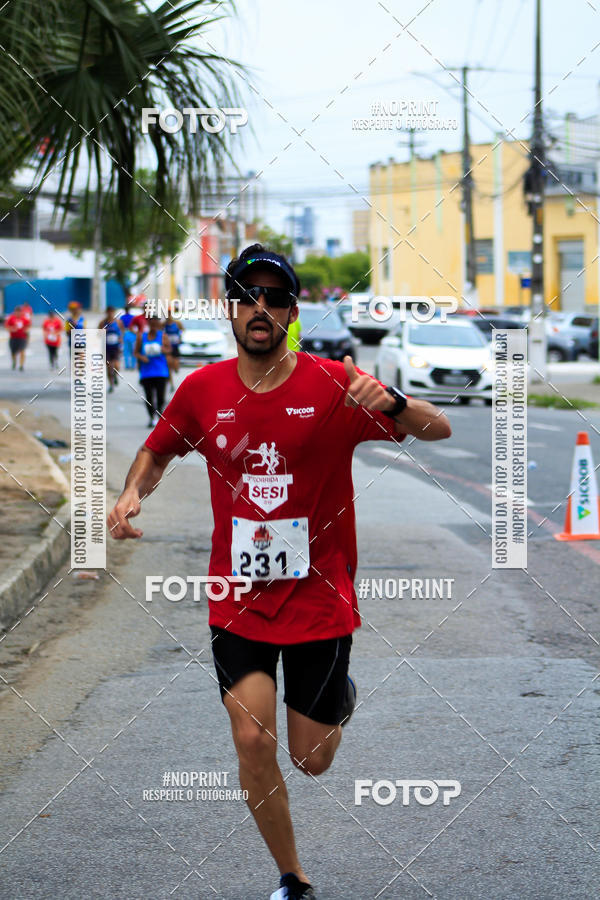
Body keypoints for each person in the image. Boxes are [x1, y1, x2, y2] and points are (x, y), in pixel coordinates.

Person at [107, 245, 451, 900]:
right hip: (237, 599)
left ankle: (337, 698)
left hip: (320, 598)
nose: (260, 308)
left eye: (274, 298)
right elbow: (156, 454)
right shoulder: (201, 391)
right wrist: (131, 495)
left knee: (310, 758)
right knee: (250, 735)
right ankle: (294, 879)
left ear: (292, 312)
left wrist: (395, 400)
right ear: (229, 310)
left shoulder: (332, 384)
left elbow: (439, 429)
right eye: (247, 297)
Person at [134, 312, 171, 426]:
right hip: (147, 373)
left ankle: (159, 415)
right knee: (149, 398)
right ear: (149, 323)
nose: (154, 325)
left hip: (161, 372)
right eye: (152, 323)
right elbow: (136, 352)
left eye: (156, 323)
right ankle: (151, 418)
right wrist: (142, 357)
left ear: (159, 324)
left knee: (160, 398)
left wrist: (162, 349)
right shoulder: (142, 336)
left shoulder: (163, 336)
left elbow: (169, 350)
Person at [98, 306, 124, 392]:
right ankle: (111, 384)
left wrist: (121, 340)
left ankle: (115, 375)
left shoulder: (118, 322)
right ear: (106, 312)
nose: (110, 314)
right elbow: (98, 334)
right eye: (108, 312)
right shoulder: (102, 323)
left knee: (116, 366)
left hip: (116, 347)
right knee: (109, 367)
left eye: (112, 312)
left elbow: (122, 332)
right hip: (107, 347)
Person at [164, 305, 184, 392]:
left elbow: (183, 330)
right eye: (167, 313)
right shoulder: (163, 324)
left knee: (175, 367)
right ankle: (171, 384)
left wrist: (179, 338)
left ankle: (175, 368)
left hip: (176, 347)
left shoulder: (177, 323)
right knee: (169, 366)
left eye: (169, 313)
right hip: (168, 349)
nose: (168, 315)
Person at [5, 305, 30, 370]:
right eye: (17, 312)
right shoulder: (11, 318)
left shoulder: (24, 318)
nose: (18, 313)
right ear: (15, 312)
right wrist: (12, 329)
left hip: (22, 338)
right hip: (13, 338)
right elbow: (7, 326)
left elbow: (28, 326)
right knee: (13, 352)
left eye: (19, 312)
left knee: (22, 351)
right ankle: (14, 361)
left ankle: (21, 365)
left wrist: (26, 330)